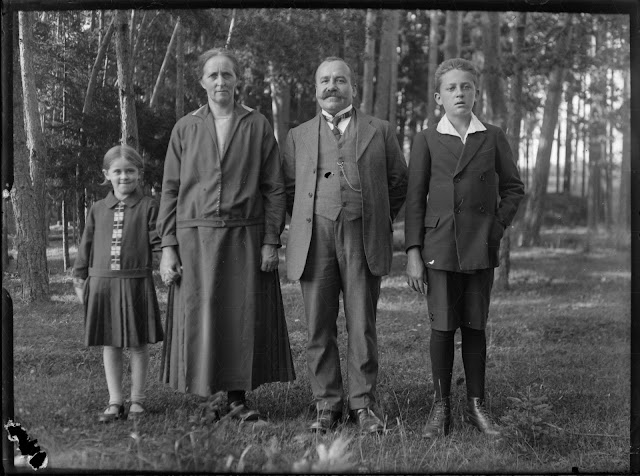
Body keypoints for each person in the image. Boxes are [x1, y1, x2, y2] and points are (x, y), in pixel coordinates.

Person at [157, 48, 295, 421]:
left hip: (244, 236)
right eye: (213, 75)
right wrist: (168, 246)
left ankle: (237, 399)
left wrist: (270, 239)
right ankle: (209, 397)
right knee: (201, 313)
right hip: (194, 238)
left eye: (227, 75)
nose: (220, 81)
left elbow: (275, 187)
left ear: (238, 81)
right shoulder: (186, 127)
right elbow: (170, 189)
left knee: (241, 315)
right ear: (202, 81)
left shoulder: (257, 124)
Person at [282, 57, 408, 434]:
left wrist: (374, 217)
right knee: (318, 324)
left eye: (339, 80)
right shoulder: (297, 135)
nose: (331, 86)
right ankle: (327, 404)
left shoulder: (380, 130)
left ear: (353, 87)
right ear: (316, 88)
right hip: (314, 237)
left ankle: (363, 404)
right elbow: (288, 189)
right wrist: (313, 214)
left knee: (361, 323)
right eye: (324, 81)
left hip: (362, 235)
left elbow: (398, 182)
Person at [405, 58, 525, 439]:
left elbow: (513, 188)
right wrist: (412, 252)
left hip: (479, 245)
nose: (460, 93)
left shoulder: (492, 135)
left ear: (476, 92)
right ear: (439, 96)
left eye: (467, 87)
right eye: (452, 88)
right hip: (439, 245)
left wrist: (497, 225)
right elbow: (414, 199)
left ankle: (476, 404)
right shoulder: (426, 138)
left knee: (475, 325)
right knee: (442, 327)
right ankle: (440, 407)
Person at [73, 144, 163, 423]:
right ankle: (115, 401)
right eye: (117, 171)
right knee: (109, 343)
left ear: (139, 173)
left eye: (130, 171)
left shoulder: (149, 205)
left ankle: (137, 400)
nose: (124, 177)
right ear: (106, 174)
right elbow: (85, 245)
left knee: (137, 343)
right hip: (102, 284)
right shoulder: (98, 209)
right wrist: (79, 277)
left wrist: (167, 264)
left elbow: (158, 242)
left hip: (135, 282)